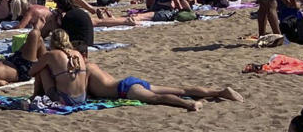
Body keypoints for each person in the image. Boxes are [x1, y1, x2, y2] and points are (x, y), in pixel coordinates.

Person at [86, 61, 243, 111]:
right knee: (182, 89)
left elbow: (81, 91)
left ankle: (189, 104)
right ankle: (221, 92)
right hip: (129, 81)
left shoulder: (85, 68)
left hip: (124, 89)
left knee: (156, 98)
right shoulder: (94, 65)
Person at [29, 29, 88, 106]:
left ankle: (35, 95)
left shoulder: (51, 54)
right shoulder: (77, 53)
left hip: (64, 99)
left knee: (42, 69)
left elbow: (31, 72)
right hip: (82, 98)